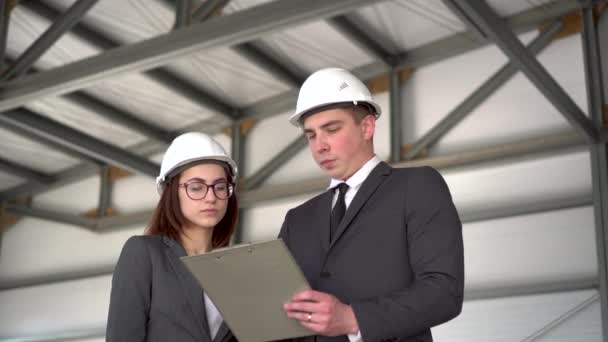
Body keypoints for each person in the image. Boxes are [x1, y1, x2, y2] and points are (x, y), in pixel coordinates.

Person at [280, 68, 464, 342]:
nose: (320, 146)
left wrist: (353, 319)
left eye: (331, 129)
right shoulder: (297, 219)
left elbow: (443, 291)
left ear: (367, 127)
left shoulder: (416, 187)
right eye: (311, 135)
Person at [106, 132, 239, 342]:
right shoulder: (144, 254)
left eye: (220, 186)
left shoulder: (235, 266)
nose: (211, 197)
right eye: (196, 187)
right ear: (171, 192)